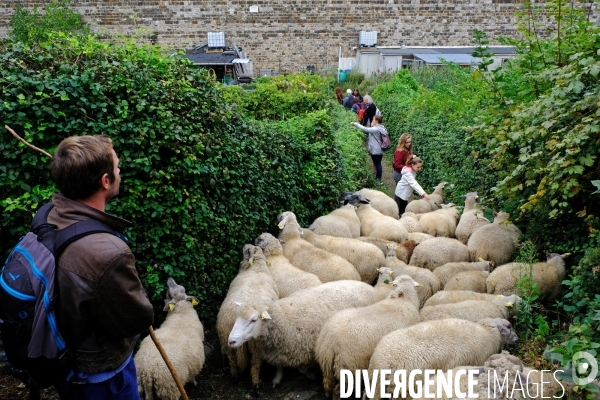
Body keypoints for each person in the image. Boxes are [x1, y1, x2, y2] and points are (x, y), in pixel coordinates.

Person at [48, 135, 154, 399]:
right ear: (105, 181)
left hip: (64, 361)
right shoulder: (107, 253)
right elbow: (137, 319)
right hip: (101, 374)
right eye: (117, 167)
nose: (120, 171)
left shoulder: (50, 215)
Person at [351, 115, 388, 182]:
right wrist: (372, 125)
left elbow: (365, 129)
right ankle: (377, 176)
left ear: (376, 121)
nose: (372, 120)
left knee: (378, 165)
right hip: (380, 149)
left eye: (373, 119)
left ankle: (378, 180)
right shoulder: (382, 127)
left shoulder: (376, 129)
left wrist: (355, 124)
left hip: (376, 150)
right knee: (377, 163)